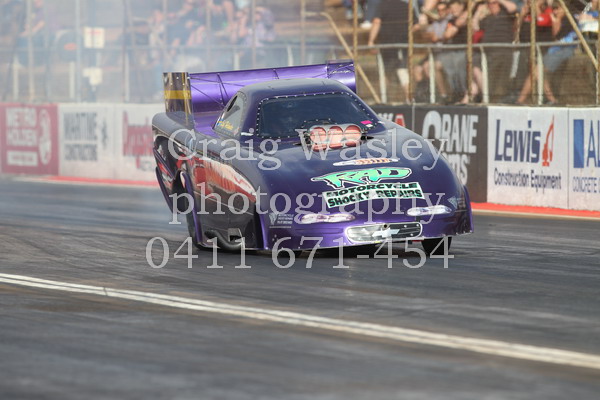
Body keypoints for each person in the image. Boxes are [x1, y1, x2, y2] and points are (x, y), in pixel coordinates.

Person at [367, 0, 415, 102]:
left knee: (398, 70)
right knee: (388, 72)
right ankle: (381, 99)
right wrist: (406, 33)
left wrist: (371, 41)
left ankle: (408, 98)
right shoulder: (406, 5)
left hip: (390, 45)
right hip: (400, 44)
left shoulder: (382, 5)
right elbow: (416, 24)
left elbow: (376, 22)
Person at [472, 0, 517, 102]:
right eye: (489, 3)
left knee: (502, 78)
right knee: (489, 76)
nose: (491, 5)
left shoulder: (506, 14)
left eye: (494, 2)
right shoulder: (487, 18)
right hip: (489, 52)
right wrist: (478, 12)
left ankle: (498, 99)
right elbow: (475, 27)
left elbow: (513, 7)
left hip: (504, 50)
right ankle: (489, 99)